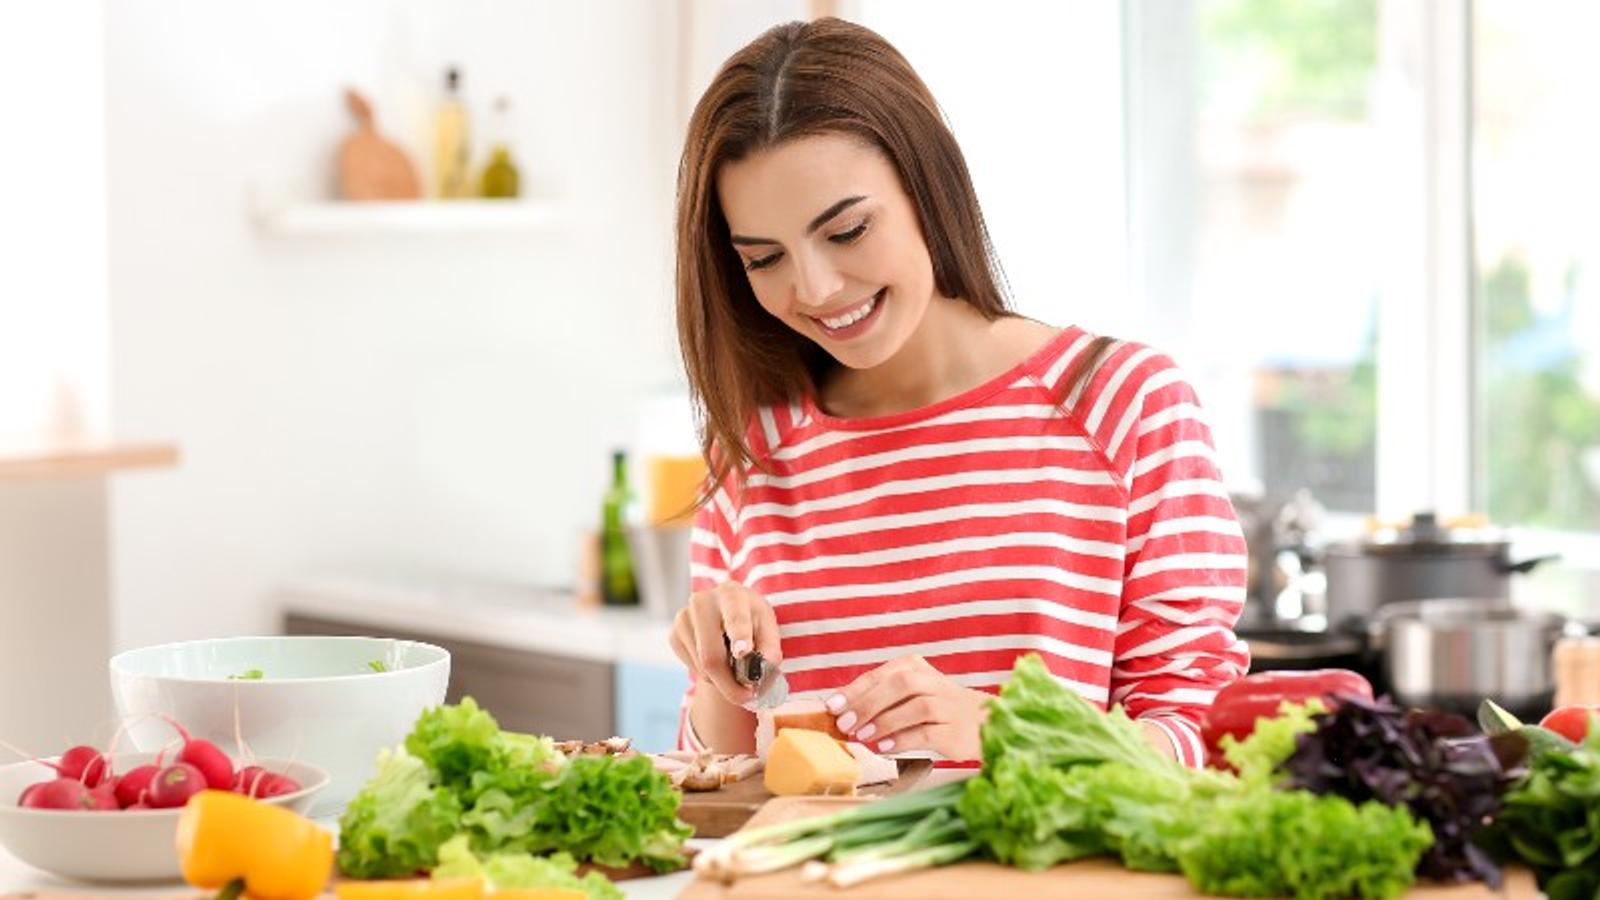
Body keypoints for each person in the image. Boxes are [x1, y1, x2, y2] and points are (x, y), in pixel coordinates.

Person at [667, 16, 1248, 768]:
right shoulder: (754, 447)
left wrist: (1013, 735)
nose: (813, 287)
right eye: (765, 258)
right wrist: (722, 681)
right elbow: (715, 774)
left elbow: (1202, 738)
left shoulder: (1122, 404)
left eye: (846, 232)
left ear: (926, 184)